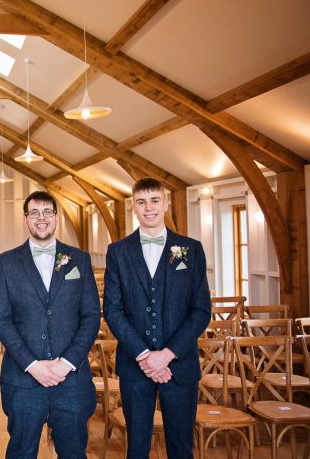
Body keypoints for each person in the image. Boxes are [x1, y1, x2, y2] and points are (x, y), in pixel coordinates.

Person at [103, 177, 211, 459]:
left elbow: (201, 310)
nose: (148, 208)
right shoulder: (118, 251)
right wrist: (144, 355)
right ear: (133, 208)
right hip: (134, 367)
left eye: (154, 201)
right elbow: (113, 310)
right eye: (141, 202)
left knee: (181, 447)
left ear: (165, 203)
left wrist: (167, 354)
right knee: (137, 447)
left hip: (180, 365)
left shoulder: (190, 249)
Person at [0, 190, 100, 458]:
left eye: (47, 212)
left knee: (74, 452)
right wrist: (32, 364)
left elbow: (90, 316)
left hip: (71, 380)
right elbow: (1, 319)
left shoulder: (80, 259)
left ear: (56, 217)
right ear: (26, 219)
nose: (41, 218)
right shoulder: (6, 262)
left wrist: (68, 362)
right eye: (34, 213)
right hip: (23, 379)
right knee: (21, 452)